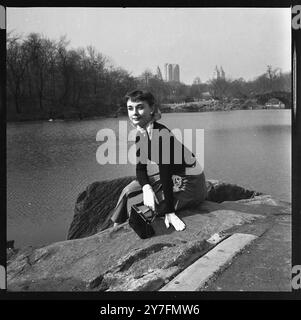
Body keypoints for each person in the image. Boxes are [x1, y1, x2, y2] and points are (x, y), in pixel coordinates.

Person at [110, 90, 207, 231]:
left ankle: (163, 210)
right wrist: (146, 187)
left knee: (151, 210)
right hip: (172, 176)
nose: (134, 113)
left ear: (152, 109)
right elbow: (140, 169)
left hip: (190, 181)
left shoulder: (161, 134)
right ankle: (115, 230)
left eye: (140, 107)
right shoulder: (141, 134)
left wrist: (169, 210)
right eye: (130, 108)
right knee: (128, 190)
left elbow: (165, 173)